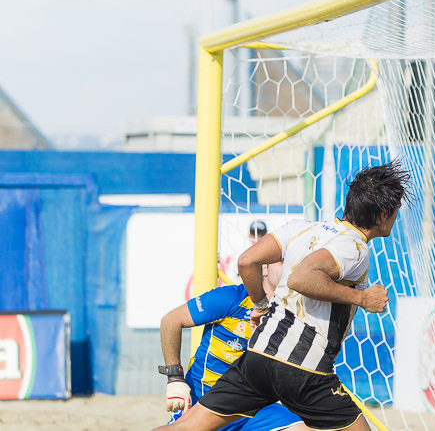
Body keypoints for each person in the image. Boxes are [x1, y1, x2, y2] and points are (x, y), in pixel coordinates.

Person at [152, 160, 410, 431]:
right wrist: (361, 299)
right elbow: (302, 278)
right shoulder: (356, 248)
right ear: (382, 215)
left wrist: (261, 305)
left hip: (258, 358)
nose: (396, 217)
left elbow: (247, 261)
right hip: (303, 369)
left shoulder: (302, 228)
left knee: (186, 428)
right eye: (396, 212)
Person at [158, 244, 307, 430]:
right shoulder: (232, 297)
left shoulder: (293, 310)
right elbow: (170, 321)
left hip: (254, 404)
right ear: (265, 269)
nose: (290, 267)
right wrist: (175, 378)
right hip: (205, 399)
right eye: (283, 261)